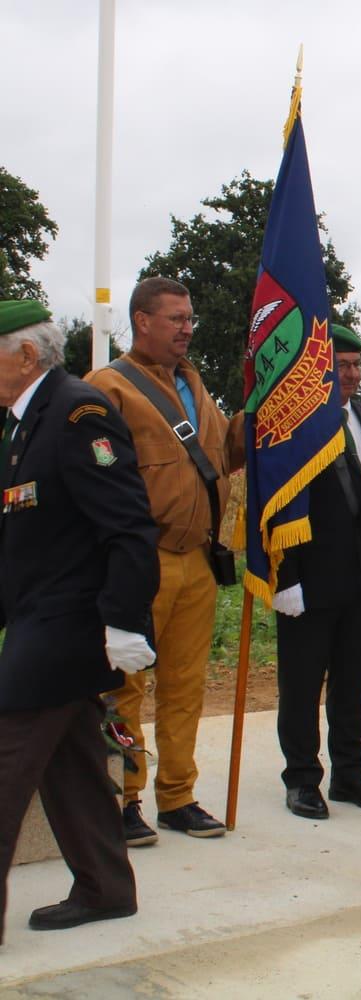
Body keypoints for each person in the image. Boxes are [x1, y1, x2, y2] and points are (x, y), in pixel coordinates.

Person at [0, 301, 156, 939]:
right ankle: (104, 886)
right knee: (71, 764)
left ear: (27, 356)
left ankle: (101, 884)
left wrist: (124, 622)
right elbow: (20, 539)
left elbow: (128, 526)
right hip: (36, 621)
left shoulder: (76, 411)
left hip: (66, 629)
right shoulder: (18, 422)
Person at [86, 276, 242, 844]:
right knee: (124, 687)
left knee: (184, 685)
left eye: (190, 319)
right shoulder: (107, 387)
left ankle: (178, 796)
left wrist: (263, 408)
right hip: (138, 561)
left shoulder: (195, 385)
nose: (187, 329)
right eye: (176, 318)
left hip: (197, 558)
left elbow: (226, 453)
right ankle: (123, 798)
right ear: (142, 320)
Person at [272, 324, 361, 820]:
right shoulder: (296, 425)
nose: (349, 375)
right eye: (339, 366)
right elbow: (278, 505)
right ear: (320, 370)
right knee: (302, 685)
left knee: (352, 684)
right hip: (307, 579)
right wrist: (284, 578)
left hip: (360, 577)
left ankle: (351, 774)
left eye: (355, 366)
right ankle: (303, 778)